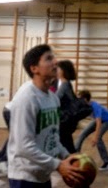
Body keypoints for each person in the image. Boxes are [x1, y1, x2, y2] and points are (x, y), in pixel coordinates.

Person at [7, 44, 83, 188]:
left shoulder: (53, 98)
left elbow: (53, 137)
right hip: (24, 177)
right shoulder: (26, 98)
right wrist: (58, 165)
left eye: (54, 57)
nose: (55, 62)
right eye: (48, 59)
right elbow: (23, 146)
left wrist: (67, 156)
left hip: (42, 175)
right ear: (34, 68)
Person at [74, 90, 108, 172]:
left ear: (85, 99)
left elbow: (99, 122)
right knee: (82, 134)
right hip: (98, 121)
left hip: (107, 121)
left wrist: (95, 137)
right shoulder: (84, 106)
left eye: (80, 99)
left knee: (98, 138)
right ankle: (75, 156)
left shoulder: (95, 106)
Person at [55, 59, 79, 153]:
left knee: (66, 144)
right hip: (65, 120)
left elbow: (55, 99)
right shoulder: (63, 84)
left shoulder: (65, 85)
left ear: (63, 71)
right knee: (66, 143)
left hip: (65, 120)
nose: (56, 70)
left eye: (58, 69)